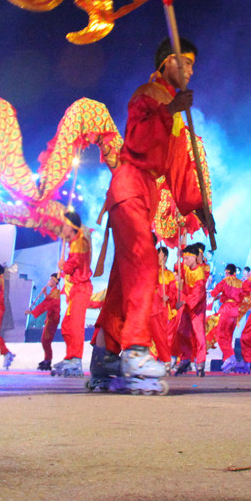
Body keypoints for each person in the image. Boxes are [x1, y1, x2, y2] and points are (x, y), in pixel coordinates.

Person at [90, 38, 210, 392]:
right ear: (167, 62)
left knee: (123, 279)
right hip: (129, 185)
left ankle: (105, 353)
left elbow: (177, 167)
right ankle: (136, 348)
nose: (190, 71)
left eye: (192, 66)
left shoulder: (173, 111)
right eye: (185, 63)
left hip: (148, 193)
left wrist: (201, 209)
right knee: (144, 264)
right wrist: (170, 109)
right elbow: (138, 141)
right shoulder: (147, 95)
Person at [52, 211, 92, 376]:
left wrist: (63, 265)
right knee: (67, 325)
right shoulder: (74, 242)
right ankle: (70, 357)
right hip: (76, 288)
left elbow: (72, 265)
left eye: (66, 225)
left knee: (75, 326)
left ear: (72, 227)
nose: (63, 227)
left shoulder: (79, 243)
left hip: (82, 287)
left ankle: (76, 359)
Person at [170, 244, 209, 376]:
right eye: (184, 258)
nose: (184, 261)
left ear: (194, 258)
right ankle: (185, 358)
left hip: (196, 307)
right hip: (187, 305)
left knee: (199, 335)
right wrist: (179, 255)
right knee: (182, 332)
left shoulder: (200, 273)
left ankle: (201, 362)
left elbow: (197, 294)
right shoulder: (186, 267)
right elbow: (178, 267)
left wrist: (184, 298)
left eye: (187, 258)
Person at [211, 264, 246, 372]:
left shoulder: (225, 281)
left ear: (227, 272)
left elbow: (213, 292)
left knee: (220, 335)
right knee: (228, 337)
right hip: (236, 312)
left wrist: (220, 296)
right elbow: (243, 298)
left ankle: (230, 357)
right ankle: (228, 362)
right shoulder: (241, 283)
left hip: (226, 310)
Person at [30, 272, 63, 371]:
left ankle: (48, 361)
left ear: (54, 281)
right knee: (45, 340)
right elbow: (48, 302)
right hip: (51, 318)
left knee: (45, 340)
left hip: (52, 319)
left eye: (51, 279)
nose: (49, 281)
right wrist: (45, 293)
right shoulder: (53, 291)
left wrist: (33, 312)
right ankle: (47, 359)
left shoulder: (56, 292)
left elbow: (48, 304)